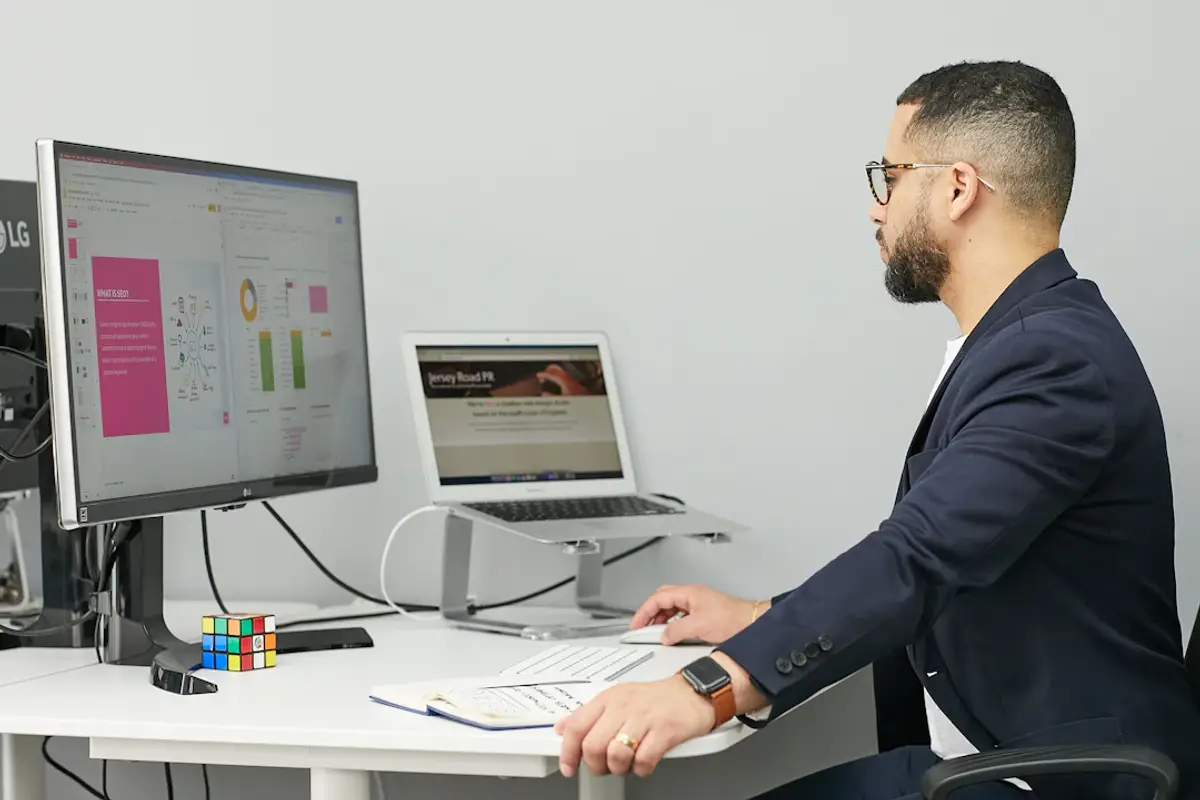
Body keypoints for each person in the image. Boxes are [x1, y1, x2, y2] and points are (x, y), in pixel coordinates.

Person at [554, 60, 1200, 799]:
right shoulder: (1024, 342)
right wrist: (762, 617)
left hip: (1059, 780)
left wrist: (706, 686)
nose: (875, 207)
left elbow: (918, 558)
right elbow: (954, 548)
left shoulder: (1052, 360)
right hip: (1000, 757)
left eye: (888, 177)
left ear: (958, 188)